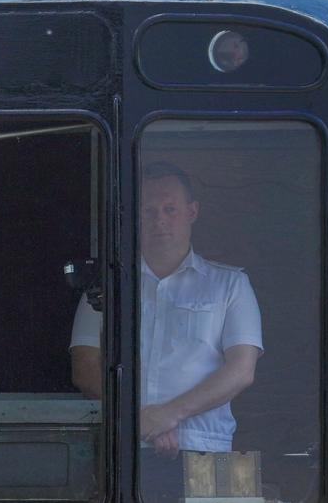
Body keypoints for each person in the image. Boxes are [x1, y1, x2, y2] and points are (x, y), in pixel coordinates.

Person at [69, 163, 262, 461]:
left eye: (170, 209)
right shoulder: (105, 287)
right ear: (135, 216)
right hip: (119, 447)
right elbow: (85, 365)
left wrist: (168, 416)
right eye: (148, 211)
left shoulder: (231, 285)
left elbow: (241, 371)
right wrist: (136, 419)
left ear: (192, 212)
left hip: (203, 449)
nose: (160, 220)